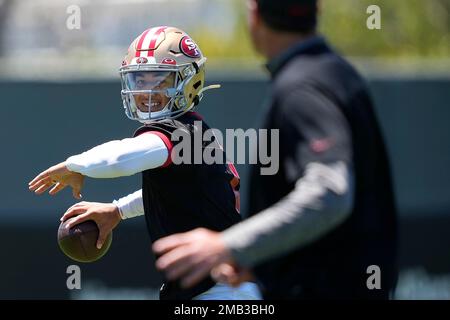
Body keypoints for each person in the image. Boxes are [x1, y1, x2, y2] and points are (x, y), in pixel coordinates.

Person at [152, 0, 398, 299]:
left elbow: (329, 193)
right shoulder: (338, 72)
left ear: (254, 16)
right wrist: (258, 258)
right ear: (316, 13)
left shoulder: (302, 87)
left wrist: (228, 245)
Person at [28, 26, 261, 301]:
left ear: (190, 81)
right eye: (139, 79)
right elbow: (176, 196)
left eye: (159, 79)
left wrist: (74, 165)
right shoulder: (193, 130)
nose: (146, 90)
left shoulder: (177, 132)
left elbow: (119, 158)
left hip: (218, 292)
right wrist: (117, 210)